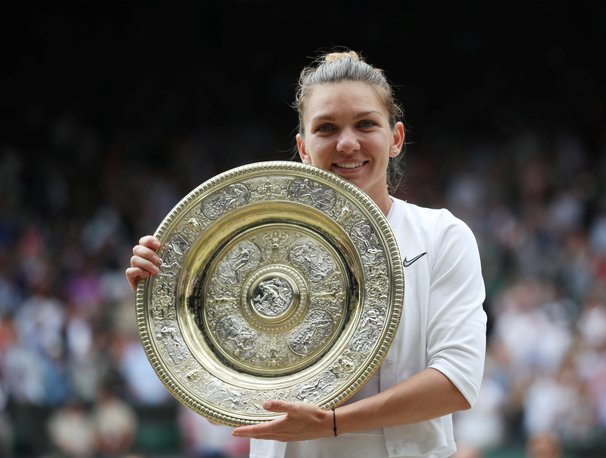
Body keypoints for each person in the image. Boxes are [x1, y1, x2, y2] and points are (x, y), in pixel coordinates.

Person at [126, 49, 487, 458]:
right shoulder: (245, 243)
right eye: (327, 128)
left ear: (396, 139)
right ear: (303, 147)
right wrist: (161, 298)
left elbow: (456, 383)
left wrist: (332, 424)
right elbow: (223, 405)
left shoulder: (441, 236)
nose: (347, 143)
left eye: (366, 124)